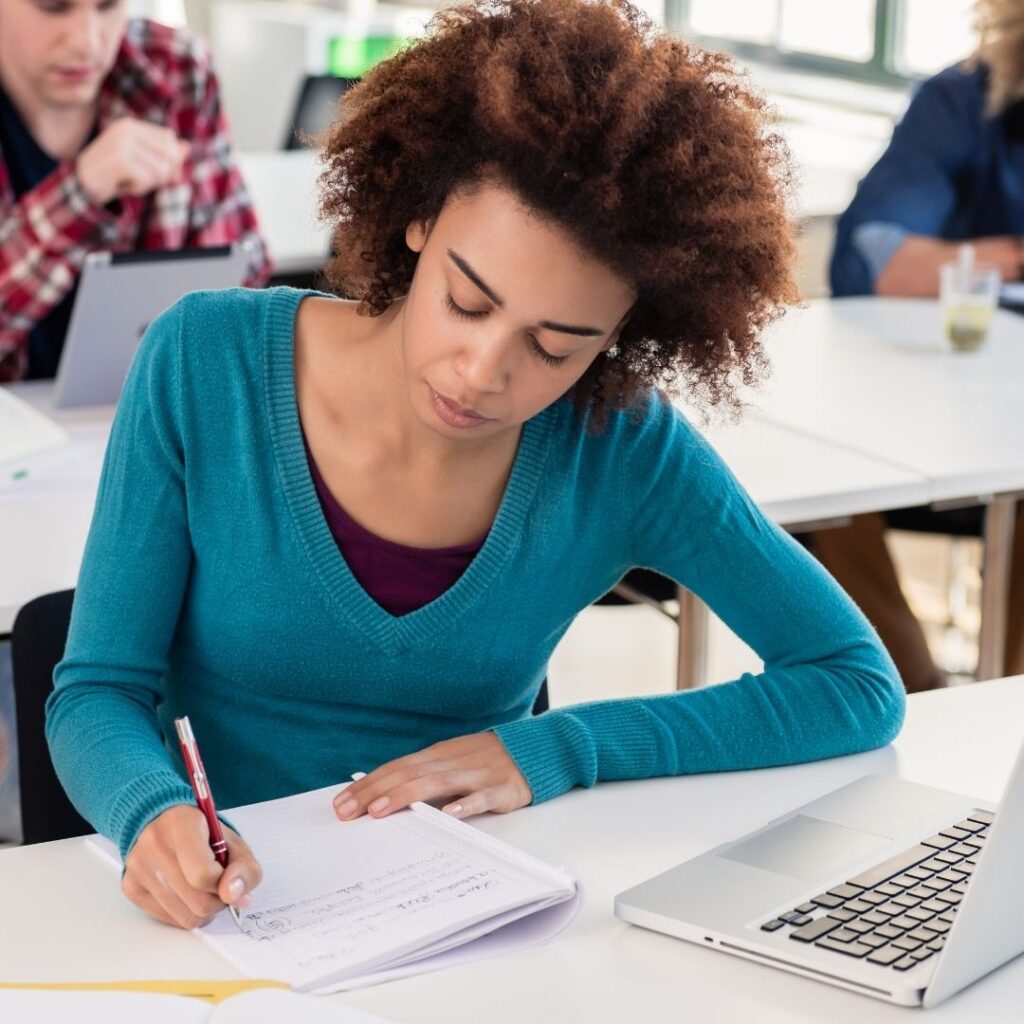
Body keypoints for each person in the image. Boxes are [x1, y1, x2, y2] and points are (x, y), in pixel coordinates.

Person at [46, 0, 904, 930]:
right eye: (466, 300)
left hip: (474, 923)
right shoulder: (203, 363)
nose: (481, 373)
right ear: (417, 219)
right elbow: (98, 691)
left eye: (556, 346)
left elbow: (852, 682)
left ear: (622, 337)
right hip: (226, 920)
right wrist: (151, 811)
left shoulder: (619, 444)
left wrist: (561, 747)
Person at [813, 0, 1024, 691]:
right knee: (820, 492)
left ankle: (1006, 730)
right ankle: (913, 693)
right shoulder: (964, 101)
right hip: (921, 420)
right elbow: (883, 258)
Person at [0, 0, 271, 382]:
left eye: (108, 6)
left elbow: (244, 281)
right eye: (53, 7)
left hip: (148, 413)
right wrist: (80, 190)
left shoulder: (177, 67)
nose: (87, 42)